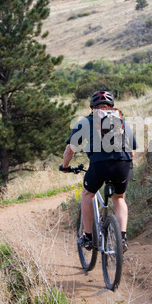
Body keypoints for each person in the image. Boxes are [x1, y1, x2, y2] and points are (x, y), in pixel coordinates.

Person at [60, 90, 137, 252]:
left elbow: (69, 150)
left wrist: (65, 166)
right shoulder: (122, 121)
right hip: (122, 164)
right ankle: (122, 238)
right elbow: (132, 151)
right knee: (119, 198)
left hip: (100, 165)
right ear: (111, 106)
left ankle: (88, 237)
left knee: (88, 194)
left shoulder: (87, 121)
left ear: (92, 107)